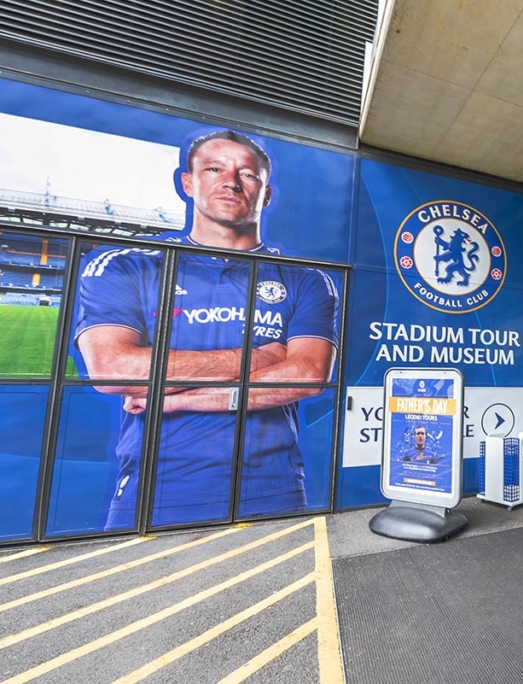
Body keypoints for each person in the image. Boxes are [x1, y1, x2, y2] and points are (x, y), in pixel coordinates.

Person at [75, 129, 340, 528]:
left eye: (248, 174)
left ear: (266, 194)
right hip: (156, 486)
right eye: (214, 168)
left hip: (273, 486)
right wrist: (261, 356)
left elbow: (307, 376)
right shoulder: (127, 265)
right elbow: (113, 369)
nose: (230, 181)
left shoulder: (306, 279)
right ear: (188, 182)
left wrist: (179, 399)